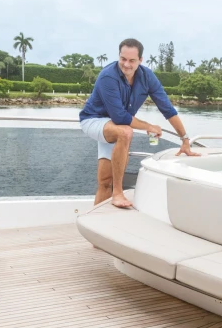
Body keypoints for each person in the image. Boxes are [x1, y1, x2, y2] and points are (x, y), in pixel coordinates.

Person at [79, 38, 198, 208]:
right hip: (94, 120)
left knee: (105, 180)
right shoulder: (108, 76)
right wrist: (149, 127)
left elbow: (167, 109)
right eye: (123, 59)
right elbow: (120, 117)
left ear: (140, 60)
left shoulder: (147, 77)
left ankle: (95, 218)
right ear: (119, 56)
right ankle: (118, 193)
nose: (126, 64)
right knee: (126, 132)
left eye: (132, 60)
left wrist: (184, 139)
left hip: (115, 125)